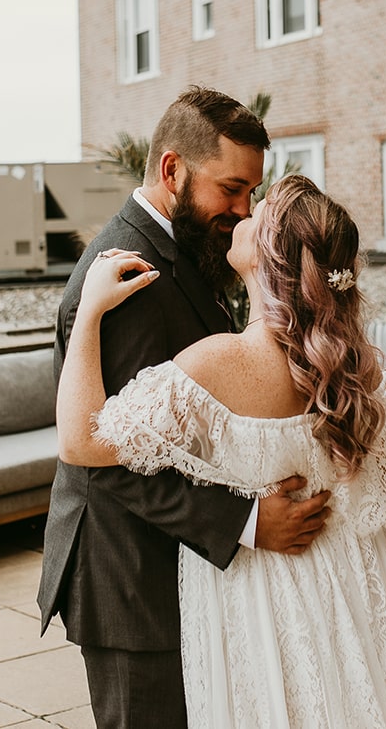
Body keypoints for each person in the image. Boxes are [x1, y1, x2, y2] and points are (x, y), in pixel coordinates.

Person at [56, 173, 386, 729]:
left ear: (267, 256)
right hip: (355, 593)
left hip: (259, 603)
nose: (242, 214)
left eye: (259, 209)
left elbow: (81, 441)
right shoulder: (360, 369)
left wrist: (88, 313)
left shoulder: (218, 364)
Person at [37, 87, 331, 729]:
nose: (242, 209)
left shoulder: (190, 247)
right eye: (231, 189)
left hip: (174, 566)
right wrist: (246, 522)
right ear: (172, 170)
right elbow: (106, 454)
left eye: (252, 192)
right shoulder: (129, 275)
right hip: (128, 575)